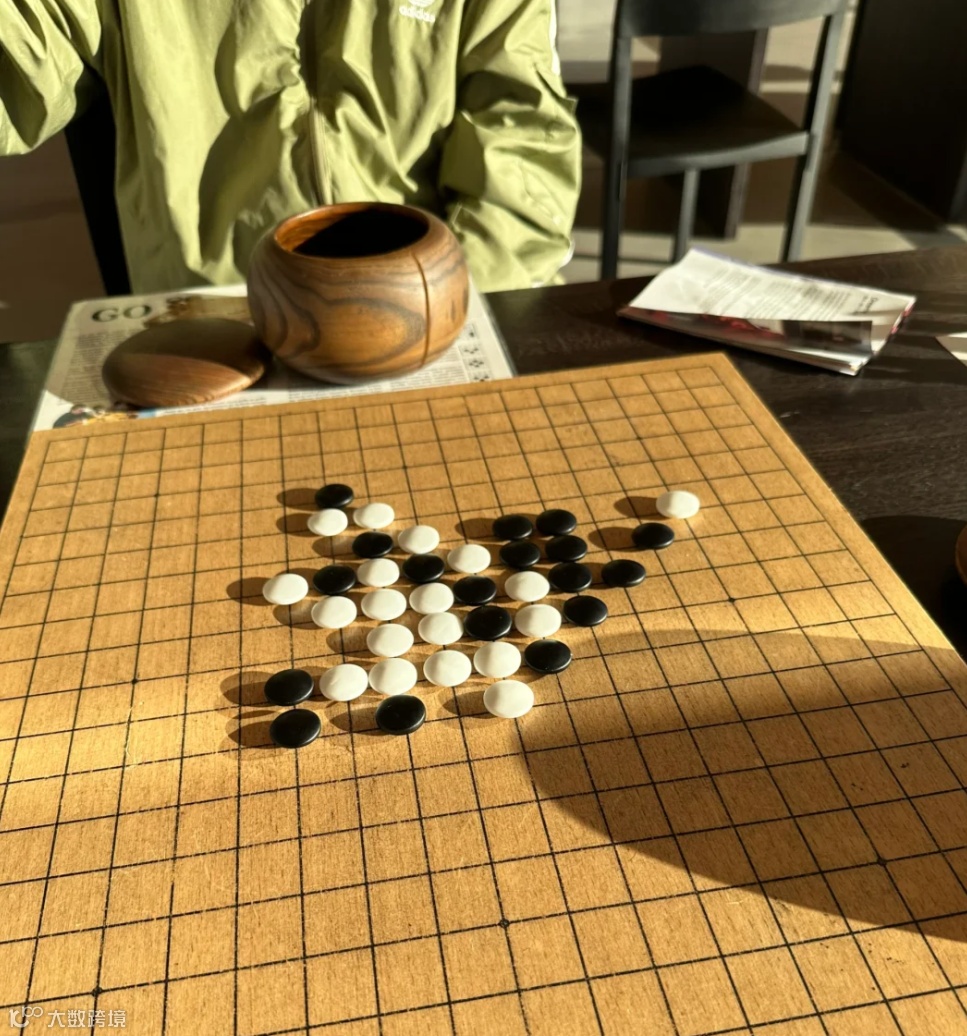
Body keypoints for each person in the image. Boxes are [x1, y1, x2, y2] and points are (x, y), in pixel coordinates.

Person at [0, 0, 581, 295]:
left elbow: (522, 134)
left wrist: (456, 306)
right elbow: (21, 60)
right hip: (213, 317)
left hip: (435, 306)